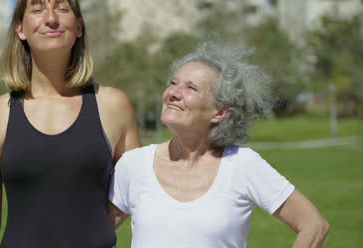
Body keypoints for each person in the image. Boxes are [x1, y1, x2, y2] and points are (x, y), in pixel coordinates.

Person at [109, 41, 330, 248]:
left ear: (220, 111)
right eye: (173, 83)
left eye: (191, 88)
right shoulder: (134, 164)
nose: (174, 93)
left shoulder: (242, 165)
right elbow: (93, 234)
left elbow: (314, 225)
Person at [0, 0, 140, 247]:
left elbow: (133, 188)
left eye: (62, 8)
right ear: (20, 28)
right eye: (37, 10)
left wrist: (94, 230)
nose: (51, 18)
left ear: (79, 27)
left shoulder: (114, 105)